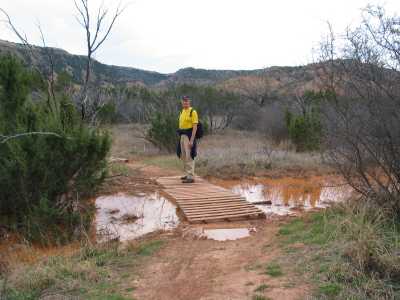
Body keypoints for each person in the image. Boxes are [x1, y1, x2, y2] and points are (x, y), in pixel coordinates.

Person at [177, 96, 198, 183]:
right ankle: (187, 174)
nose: (185, 103)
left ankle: (191, 177)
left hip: (189, 136)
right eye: (184, 101)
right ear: (182, 102)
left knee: (189, 156)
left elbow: (195, 127)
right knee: (184, 156)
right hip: (182, 136)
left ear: (189, 102)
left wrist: (192, 140)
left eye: (187, 101)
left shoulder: (193, 112)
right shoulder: (182, 111)